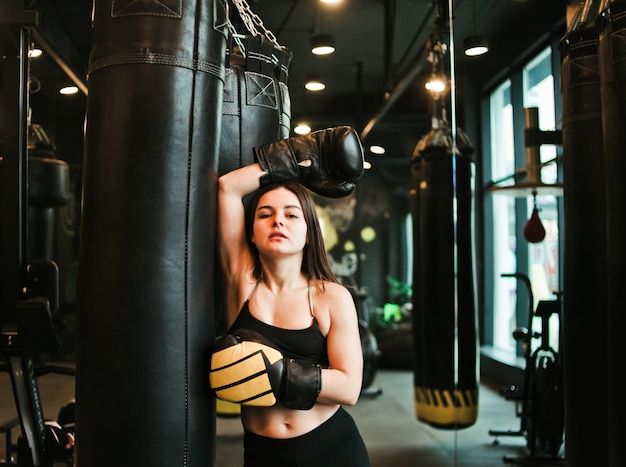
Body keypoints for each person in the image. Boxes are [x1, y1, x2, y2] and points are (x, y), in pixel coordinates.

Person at [212, 126, 371, 466]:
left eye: (291, 214)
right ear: (251, 233)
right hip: (262, 454)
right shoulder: (242, 282)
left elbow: (349, 387)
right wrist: (300, 158)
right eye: (265, 214)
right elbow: (228, 188)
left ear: (309, 233)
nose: (278, 222)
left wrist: (276, 372)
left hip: (331, 448)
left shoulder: (331, 297)